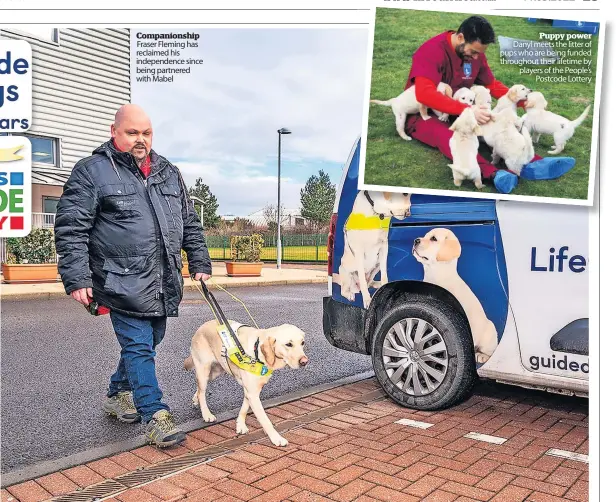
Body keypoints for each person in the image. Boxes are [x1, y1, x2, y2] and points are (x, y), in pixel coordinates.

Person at [54, 104, 212, 448]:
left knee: (149, 341)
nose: (140, 139)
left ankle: (117, 392)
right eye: (132, 132)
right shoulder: (92, 171)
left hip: (163, 280)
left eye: (146, 132)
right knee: (140, 347)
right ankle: (156, 415)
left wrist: (199, 259)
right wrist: (77, 276)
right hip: (118, 280)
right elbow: (71, 228)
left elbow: (189, 222)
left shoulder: (168, 171)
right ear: (115, 132)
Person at [403, 15, 575, 194]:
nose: (477, 57)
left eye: (480, 53)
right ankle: (492, 174)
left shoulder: (476, 55)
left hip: (460, 108)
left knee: (497, 123)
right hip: (422, 113)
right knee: (453, 136)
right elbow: (424, 94)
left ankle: (532, 162)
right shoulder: (431, 51)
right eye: (474, 51)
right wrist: (469, 111)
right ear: (460, 37)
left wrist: (523, 101)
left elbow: (491, 84)